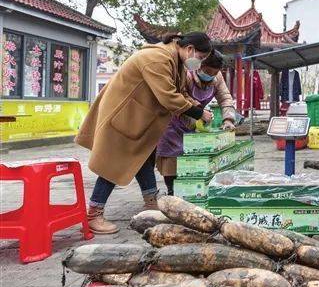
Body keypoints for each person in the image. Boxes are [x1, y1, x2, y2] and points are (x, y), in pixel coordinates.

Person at [75, 32, 213, 234]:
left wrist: (195, 105)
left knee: (144, 158)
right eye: (200, 58)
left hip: (138, 117)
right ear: (190, 49)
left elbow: (180, 91)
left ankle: (151, 203)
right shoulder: (157, 58)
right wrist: (198, 112)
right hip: (123, 115)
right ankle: (93, 214)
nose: (198, 63)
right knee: (114, 164)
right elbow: (168, 96)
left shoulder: (174, 59)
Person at [156, 50, 237, 196]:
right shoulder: (186, 74)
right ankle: (172, 191)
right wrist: (198, 111)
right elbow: (180, 96)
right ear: (200, 65)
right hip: (173, 121)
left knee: (191, 158)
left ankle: (191, 190)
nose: (210, 75)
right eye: (207, 71)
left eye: (214, 73)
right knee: (171, 158)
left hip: (194, 122)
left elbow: (225, 98)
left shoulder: (217, 78)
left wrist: (228, 119)